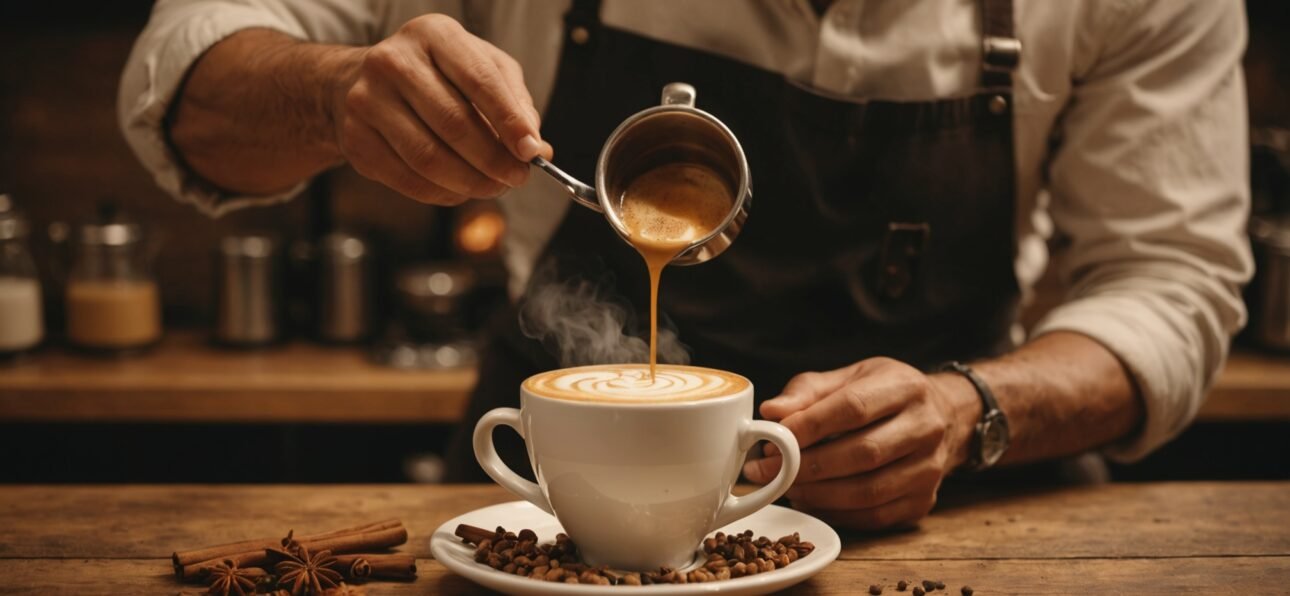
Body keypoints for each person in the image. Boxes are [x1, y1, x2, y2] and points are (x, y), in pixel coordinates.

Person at [119, 0, 1251, 530]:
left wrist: (975, 409)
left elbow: (1174, 279)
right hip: (565, 526)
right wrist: (334, 91)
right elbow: (182, 85)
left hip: (952, 520)